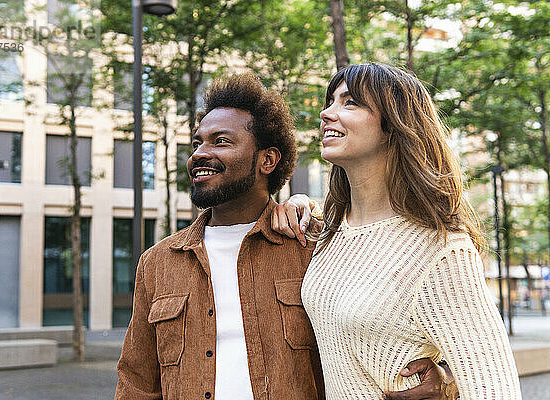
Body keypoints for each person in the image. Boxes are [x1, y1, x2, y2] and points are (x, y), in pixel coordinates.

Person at [114, 72, 454, 400]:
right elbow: (137, 383)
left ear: (267, 160)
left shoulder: (316, 246)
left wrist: (445, 378)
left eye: (221, 141)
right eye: (197, 143)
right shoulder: (157, 263)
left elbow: (385, 331)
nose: (200, 154)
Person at [272, 63, 522, 399]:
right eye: (330, 101)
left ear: (395, 125)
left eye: (349, 103)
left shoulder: (442, 252)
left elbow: (496, 387)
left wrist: (447, 384)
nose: (326, 113)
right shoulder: (331, 232)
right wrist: (298, 203)